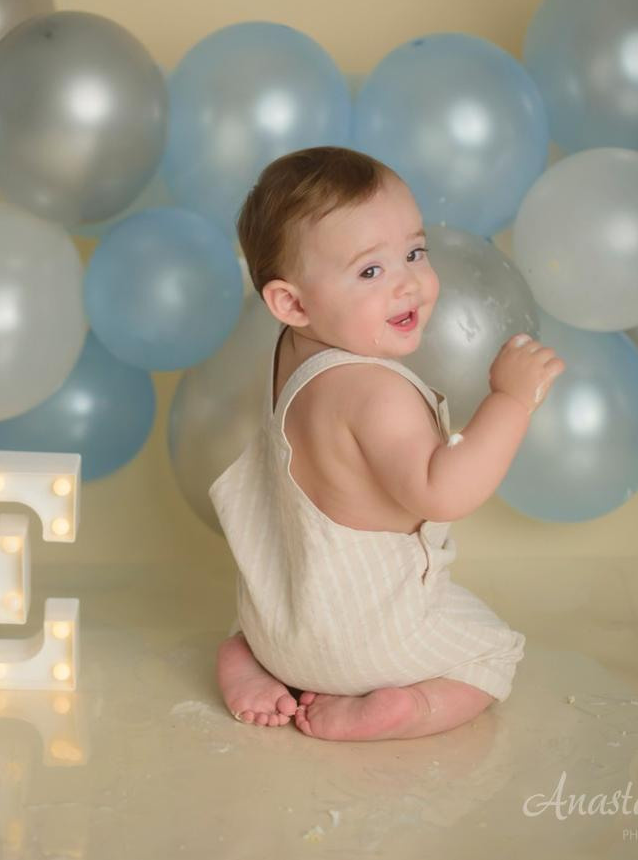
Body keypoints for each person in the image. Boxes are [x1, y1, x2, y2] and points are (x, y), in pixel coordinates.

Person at [209, 146, 565, 742]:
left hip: (281, 624)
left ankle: (245, 656)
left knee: (262, 626)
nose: (409, 283)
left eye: (414, 253)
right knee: (494, 652)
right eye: (370, 271)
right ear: (292, 302)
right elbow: (443, 492)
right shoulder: (375, 392)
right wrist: (510, 400)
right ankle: (404, 707)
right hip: (370, 645)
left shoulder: (290, 355)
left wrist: (272, 645)